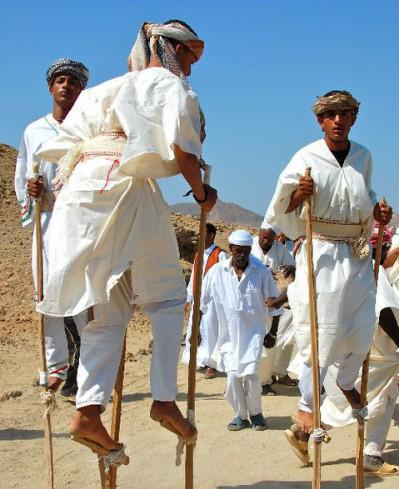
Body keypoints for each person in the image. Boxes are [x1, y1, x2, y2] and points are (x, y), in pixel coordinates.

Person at [36, 21, 217, 461]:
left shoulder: (104, 90)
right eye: (189, 55)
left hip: (80, 197)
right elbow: (184, 153)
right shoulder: (170, 86)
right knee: (169, 298)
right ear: (170, 50)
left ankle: (89, 411)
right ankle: (163, 398)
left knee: (109, 307)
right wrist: (202, 194)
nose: (191, 66)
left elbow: (65, 149)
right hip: (126, 186)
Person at [264, 90, 392, 438]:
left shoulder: (363, 156)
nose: (338, 120)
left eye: (345, 113)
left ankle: (347, 382)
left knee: (361, 327)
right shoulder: (306, 156)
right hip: (319, 250)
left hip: (355, 254)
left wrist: (378, 213)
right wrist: (299, 195)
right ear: (321, 120)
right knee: (323, 331)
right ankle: (307, 407)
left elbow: (364, 197)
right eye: (331, 114)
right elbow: (280, 209)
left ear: (354, 118)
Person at [286, 244, 399, 475]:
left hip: (361, 348)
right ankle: (371, 454)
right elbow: (384, 310)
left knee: (352, 401)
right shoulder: (368, 269)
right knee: (379, 401)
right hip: (375, 351)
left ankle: (304, 432)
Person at [15, 58, 89, 393]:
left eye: (72, 82)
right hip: (46, 222)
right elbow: (23, 175)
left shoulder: (88, 129)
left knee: (81, 292)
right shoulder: (34, 131)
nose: (66, 86)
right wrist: (31, 192)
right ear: (50, 87)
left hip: (79, 222)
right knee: (44, 293)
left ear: (81, 89)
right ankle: (56, 364)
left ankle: (90, 363)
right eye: (60, 80)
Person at [200, 230, 283, 431]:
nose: (242, 256)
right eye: (238, 251)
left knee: (252, 375)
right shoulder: (216, 272)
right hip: (226, 336)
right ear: (230, 249)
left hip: (253, 334)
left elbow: (276, 305)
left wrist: (272, 333)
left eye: (245, 251)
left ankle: (256, 414)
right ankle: (239, 415)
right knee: (232, 377)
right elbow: (203, 304)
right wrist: (199, 332)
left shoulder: (261, 271)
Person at [252, 220, 296, 393]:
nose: (265, 242)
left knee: (272, 341)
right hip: (253, 300)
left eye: (269, 239)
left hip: (273, 301)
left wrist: (290, 268)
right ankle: (256, 379)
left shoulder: (280, 250)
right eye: (263, 238)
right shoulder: (251, 248)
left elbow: (293, 266)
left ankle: (266, 380)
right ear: (259, 234)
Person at [183, 222, 228, 378]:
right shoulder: (198, 254)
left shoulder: (220, 255)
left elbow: (225, 279)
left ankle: (211, 364)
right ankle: (196, 360)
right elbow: (194, 277)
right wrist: (189, 297)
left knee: (210, 331)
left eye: (202, 233)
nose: (199, 237)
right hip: (197, 298)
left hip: (212, 301)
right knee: (195, 329)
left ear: (211, 235)